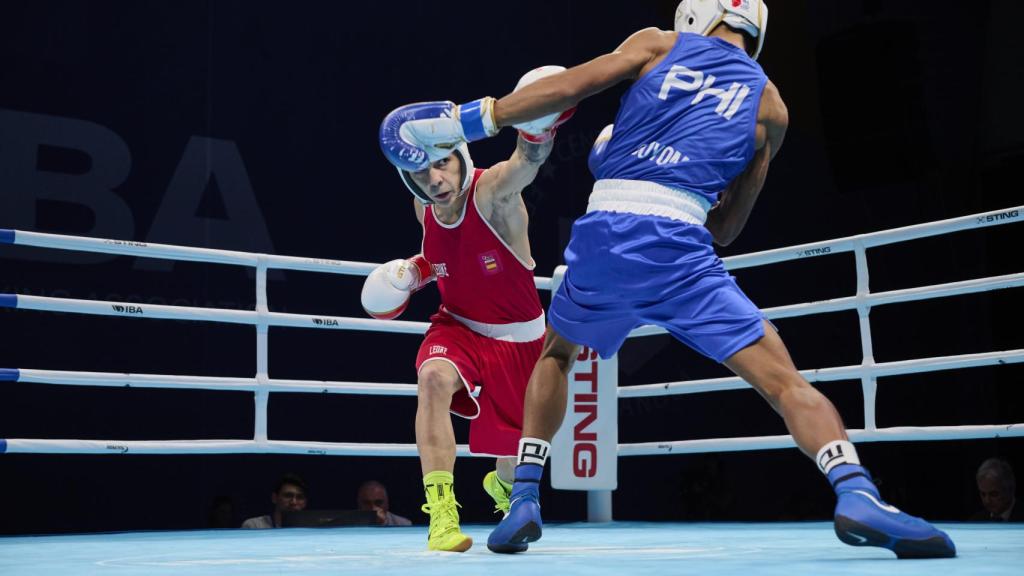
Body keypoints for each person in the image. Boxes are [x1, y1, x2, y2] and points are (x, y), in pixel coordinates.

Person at [393, 0, 956, 559]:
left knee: (557, 355)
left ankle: (524, 498)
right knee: (784, 381)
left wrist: (469, 120)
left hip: (607, 232)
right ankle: (854, 490)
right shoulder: (772, 106)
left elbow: (571, 87)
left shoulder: (659, 43)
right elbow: (729, 228)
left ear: (697, 14)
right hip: (681, 244)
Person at [369, 68, 573, 552]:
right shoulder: (424, 210)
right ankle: (441, 516)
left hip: (520, 340)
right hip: (457, 326)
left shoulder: (492, 193)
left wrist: (537, 126)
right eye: (421, 174)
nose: (435, 180)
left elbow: (527, 161)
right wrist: (416, 272)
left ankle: (502, 486)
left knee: (510, 454)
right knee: (433, 379)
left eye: (442, 165)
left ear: (459, 156)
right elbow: (445, 259)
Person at [240, 473, 307, 529]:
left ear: (305, 503)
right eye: (288, 496)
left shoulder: (310, 529)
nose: (294, 502)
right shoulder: (254, 526)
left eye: (300, 497)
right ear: (274, 498)